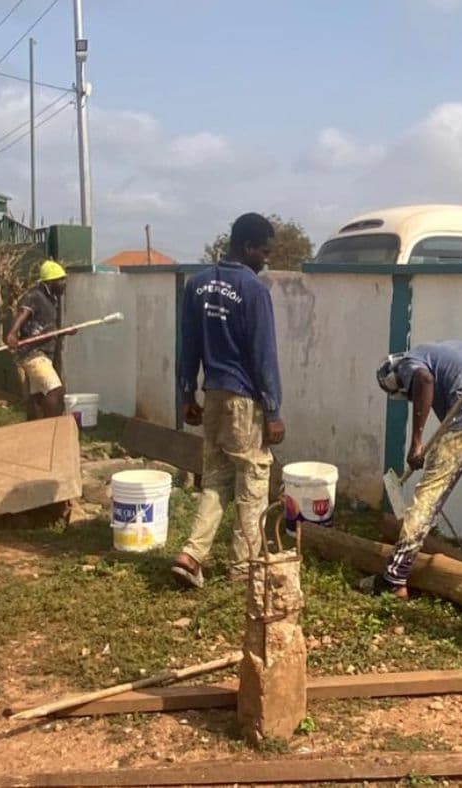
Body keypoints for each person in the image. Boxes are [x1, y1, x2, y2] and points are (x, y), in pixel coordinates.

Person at [171, 212, 286, 589]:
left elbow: (187, 344)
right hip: (244, 402)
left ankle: (191, 555)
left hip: (214, 397)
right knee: (253, 483)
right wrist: (273, 411)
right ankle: (245, 571)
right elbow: (263, 355)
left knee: (216, 480)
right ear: (248, 246)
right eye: (264, 252)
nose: (266, 260)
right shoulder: (254, 290)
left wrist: (186, 392)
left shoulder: (197, 285)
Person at [363, 340, 462, 599]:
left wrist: (416, 443)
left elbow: (424, 380)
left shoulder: (408, 363)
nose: (409, 396)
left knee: (428, 498)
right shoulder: (450, 353)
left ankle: (394, 579)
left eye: (406, 393)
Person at [5, 260, 74, 421]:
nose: (64, 284)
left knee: (38, 399)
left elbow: (46, 330)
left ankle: (34, 430)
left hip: (43, 354)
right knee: (55, 392)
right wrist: (13, 333)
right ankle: (52, 429)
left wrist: (65, 331)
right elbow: (23, 313)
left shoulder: (52, 300)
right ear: (50, 282)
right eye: (61, 280)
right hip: (33, 353)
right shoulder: (34, 296)